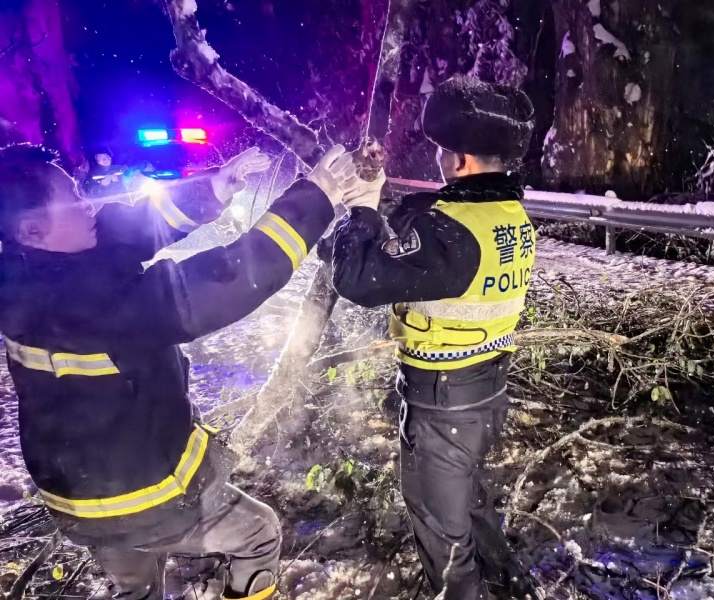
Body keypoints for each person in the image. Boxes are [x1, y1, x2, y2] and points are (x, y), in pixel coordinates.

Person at [0, 142, 363, 599]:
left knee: (136, 585)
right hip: (140, 497)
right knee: (259, 535)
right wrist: (316, 199)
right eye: (71, 196)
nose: (87, 200)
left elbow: (122, 232)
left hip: (74, 500)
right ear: (32, 229)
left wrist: (212, 189)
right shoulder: (85, 305)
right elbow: (225, 281)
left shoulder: (25, 273)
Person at [331, 76, 538, 600]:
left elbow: (357, 280)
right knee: (469, 504)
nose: (439, 160)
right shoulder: (508, 215)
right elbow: (420, 239)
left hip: (443, 401)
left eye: (444, 152)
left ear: (461, 161)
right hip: (485, 392)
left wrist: (358, 208)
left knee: (443, 536)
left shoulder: (449, 234)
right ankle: (512, 588)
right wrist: (382, 206)